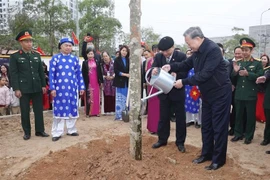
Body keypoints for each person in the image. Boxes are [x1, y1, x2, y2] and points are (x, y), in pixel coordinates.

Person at [162, 27, 231, 170]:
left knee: (219, 127)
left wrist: (184, 82)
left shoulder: (212, 50)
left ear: (198, 39)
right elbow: (185, 64)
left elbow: (205, 74)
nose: (188, 46)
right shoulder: (197, 52)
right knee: (206, 126)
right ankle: (206, 153)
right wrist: (170, 66)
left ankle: (218, 159)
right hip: (206, 94)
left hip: (220, 93)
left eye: (188, 43)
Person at [9, 30, 49, 140]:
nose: (29, 44)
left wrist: (43, 85)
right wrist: (16, 88)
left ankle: (40, 130)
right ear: (21, 43)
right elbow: (14, 74)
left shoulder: (36, 55)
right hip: (23, 88)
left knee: (38, 110)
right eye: (26, 41)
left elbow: (41, 72)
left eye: (30, 41)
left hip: (36, 87)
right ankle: (27, 132)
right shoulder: (15, 56)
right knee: (25, 111)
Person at [151, 36, 187, 153]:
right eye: (163, 51)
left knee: (180, 118)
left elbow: (185, 72)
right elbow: (154, 68)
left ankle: (180, 142)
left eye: (167, 51)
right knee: (163, 117)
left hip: (177, 92)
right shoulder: (158, 56)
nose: (165, 53)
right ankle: (162, 139)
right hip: (164, 92)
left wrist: (176, 73)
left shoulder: (181, 56)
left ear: (173, 47)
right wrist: (154, 70)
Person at [49, 37, 85, 142]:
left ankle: (71, 129)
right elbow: (51, 74)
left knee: (72, 108)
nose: (68, 47)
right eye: (66, 45)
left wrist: (81, 86)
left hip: (72, 89)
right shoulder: (55, 58)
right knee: (59, 110)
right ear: (61, 46)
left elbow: (79, 74)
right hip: (59, 90)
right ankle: (57, 132)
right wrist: (52, 88)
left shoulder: (74, 59)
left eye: (70, 45)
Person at [231, 38, 263, 145]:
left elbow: (260, 76)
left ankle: (249, 136)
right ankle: (238, 134)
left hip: (250, 94)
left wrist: (248, 74)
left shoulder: (257, 63)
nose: (244, 53)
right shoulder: (238, 63)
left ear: (251, 51)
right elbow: (232, 79)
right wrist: (235, 72)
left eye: (246, 50)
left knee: (250, 117)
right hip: (239, 93)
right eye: (243, 50)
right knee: (238, 115)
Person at [82, 48, 103, 117]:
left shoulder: (97, 62)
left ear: (94, 54)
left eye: (91, 54)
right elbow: (83, 74)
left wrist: (101, 81)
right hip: (88, 82)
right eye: (89, 54)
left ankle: (96, 112)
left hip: (96, 82)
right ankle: (88, 113)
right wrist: (83, 83)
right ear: (87, 55)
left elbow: (100, 72)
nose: (90, 55)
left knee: (96, 96)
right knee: (89, 97)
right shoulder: (84, 63)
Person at [228, 46, 243, 136]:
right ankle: (232, 127)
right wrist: (230, 83)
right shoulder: (229, 62)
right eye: (236, 53)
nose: (237, 55)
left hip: (242, 90)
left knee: (240, 110)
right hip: (231, 90)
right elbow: (226, 74)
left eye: (239, 53)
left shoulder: (245, 63)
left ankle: (241, 129)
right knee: (232, 110)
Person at [185, 49, 201, 128]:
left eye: (191, 53)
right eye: (188, 53)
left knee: (197, 102)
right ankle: (189, 120)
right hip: (188, 86)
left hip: (197, 86)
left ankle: (198, 121)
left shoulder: (199, 63)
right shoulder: (186, 64)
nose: (189, 55)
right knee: (188, 102)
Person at [144, 50, 159, 134]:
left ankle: (159, 127)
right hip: (151, 85)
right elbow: (146, 72)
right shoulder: (148, 61)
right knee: (152, 107)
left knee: (159, 107)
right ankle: (152, 127)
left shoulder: (162, 60)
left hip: (160, 85)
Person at [256, 56, 270, 146]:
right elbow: (267, 75)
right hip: (268, 100)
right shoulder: (268, 70)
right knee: (268, 121)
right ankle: (267, 139)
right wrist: (264, 78)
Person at [255, 54, 270, 123]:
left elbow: (267, 75)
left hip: (264, 90)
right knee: (257, 104)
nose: (263, 61)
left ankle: (262, 118)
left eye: (265, 59)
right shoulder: (258, 68)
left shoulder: (268, 69)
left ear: (267, 61)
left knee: (262, 104)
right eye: (262, 59)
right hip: (257, 89)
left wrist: (264, 78)